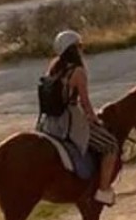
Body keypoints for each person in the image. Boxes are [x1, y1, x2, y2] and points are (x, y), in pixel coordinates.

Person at [36, 30, 119, 206]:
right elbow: (85, 103)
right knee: (110, 146)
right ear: (73, 49)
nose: (82, 49)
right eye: (80, 46)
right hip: (70, 120)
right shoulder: (78, 72)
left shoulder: (53, 66)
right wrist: (95, 120)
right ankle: (103, 190)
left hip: (49, 121)